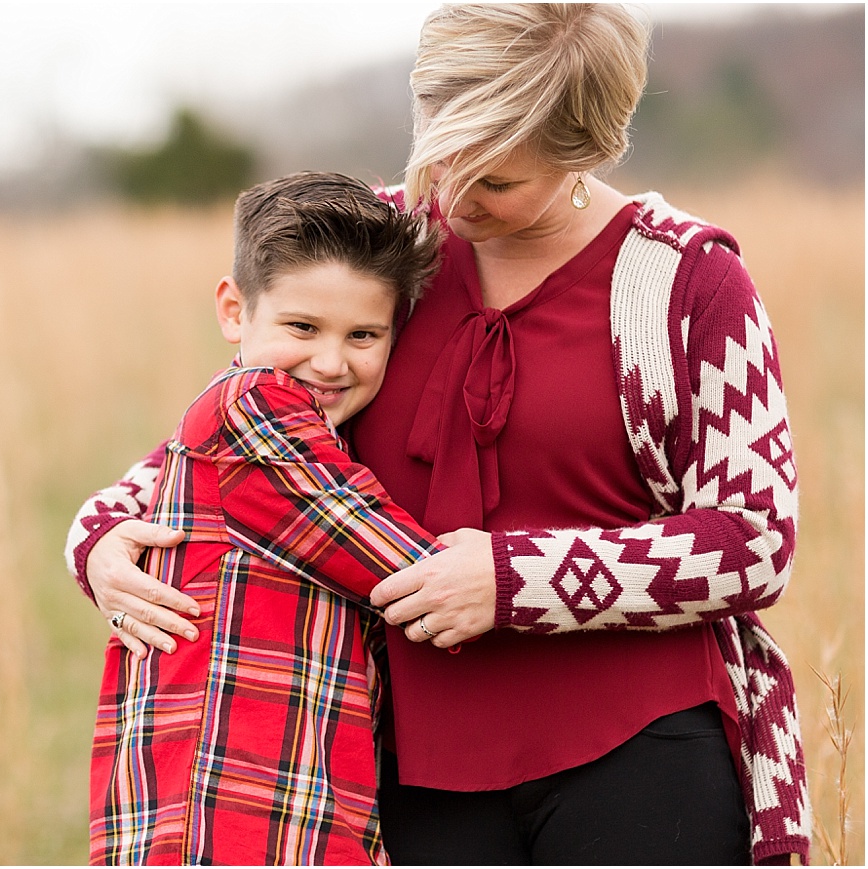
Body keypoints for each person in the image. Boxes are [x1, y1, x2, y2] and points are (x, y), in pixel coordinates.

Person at [67, 5, 809, 865]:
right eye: (439, 153)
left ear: (585, 152)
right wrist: (101, 541)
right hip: (404, 770)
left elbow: (755, 540)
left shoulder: (684, 281)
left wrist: (512, 581)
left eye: (496, 181)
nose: (455, 195)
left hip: (642, 751)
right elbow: (236, 434)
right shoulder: (383, 249)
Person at [87, 171, 445, 865]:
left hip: (283, 802)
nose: (331, 361)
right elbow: (407, 570)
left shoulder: (274, 418)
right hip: (233, 814)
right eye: (302, 327)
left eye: (364, 333)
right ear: (234, 309)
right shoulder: (256, 408)